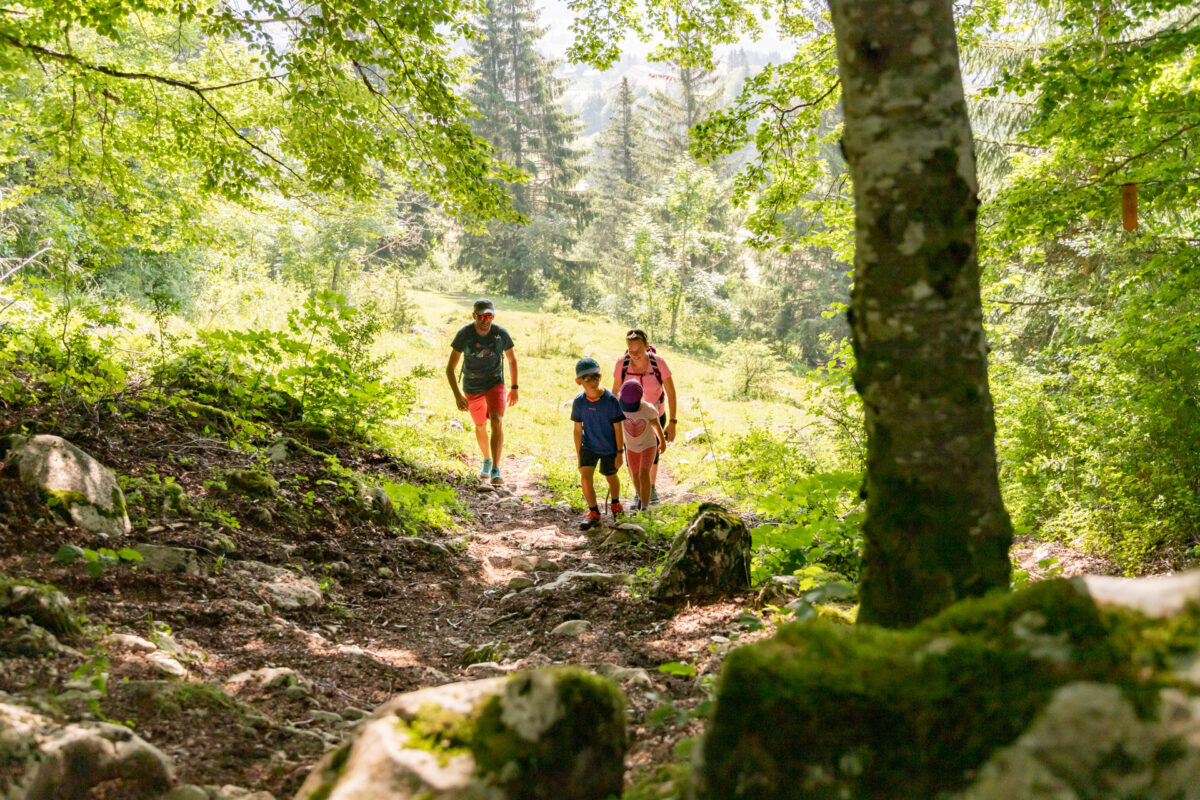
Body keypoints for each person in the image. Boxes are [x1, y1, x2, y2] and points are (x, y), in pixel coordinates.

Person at [446, 298, 518, 485]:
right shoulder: (465, 334)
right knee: (480, 425)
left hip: (495, 382)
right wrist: (457, 395)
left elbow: (512, 360)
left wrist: (514, 388)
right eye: (481, 316)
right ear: (474, 316)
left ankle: (496, 468)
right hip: (472, 385)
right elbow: (450, 369)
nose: (485, 320)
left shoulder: (501, 334)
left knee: (496, 420)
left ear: (493, 316)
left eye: (489, 316)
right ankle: (486, 460)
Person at [612, 329, 677, 504]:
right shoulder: (622, 364)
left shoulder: (658, 363)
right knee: (632, 453)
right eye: (631, 351)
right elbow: (615, 391)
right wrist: (611, 419)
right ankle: (638, 494)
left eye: (639, 351)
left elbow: (671, 393)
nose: (635, 355)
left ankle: (652, 488)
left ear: (647, 346)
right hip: (628, 416)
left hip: (655, 414)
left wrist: (672, 422)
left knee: (652, 452)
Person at [571, 357, 626, 530]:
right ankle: (594, 512)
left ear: (600, 376)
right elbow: (577, 429)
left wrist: (619, 452)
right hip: (589, 446)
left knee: (611, 476)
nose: (592, 381)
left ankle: (616, 504)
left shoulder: (610, 401)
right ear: (578, 381)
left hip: (610, 447)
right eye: (587, 378)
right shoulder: (579, 402)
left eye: (595, 377)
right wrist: (579, 454)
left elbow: (618, 428)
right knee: (585, 479)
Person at [617, 379, 666, 512]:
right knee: (634, 474)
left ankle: (644, 506)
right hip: (631, 447)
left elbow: (656, 425)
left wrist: (662, 441)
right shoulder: (620, 407)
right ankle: (639, 496)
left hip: (648, 445)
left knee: (644, 473)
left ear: (641, 398)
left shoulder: (648, 409)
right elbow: (615, 426)